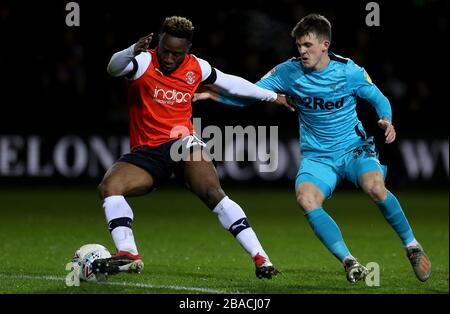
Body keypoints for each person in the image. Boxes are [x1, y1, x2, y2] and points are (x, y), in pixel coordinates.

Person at [195, 13, 431, 283]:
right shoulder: (287, 71)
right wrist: (214, 94)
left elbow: (379, 98)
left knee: (376, 187)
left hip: (353, 149)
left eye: (307, 45)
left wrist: (387, 119)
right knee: (306, 199)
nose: (302, 51)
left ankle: (411, 246)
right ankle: (349, 261)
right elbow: (251, 93)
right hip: (318, 157)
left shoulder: (348, 71)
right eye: (299, 46)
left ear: (325, 45)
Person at [91, 16, 296, 280]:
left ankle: (261, 258)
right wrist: (131, 50)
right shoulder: (143, 61)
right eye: (165, 51)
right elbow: (113, 68)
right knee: (109, 187)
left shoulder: (196, 67)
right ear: (159, 43)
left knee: (213, 193)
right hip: (147, 152)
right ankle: (128, 254)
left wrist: (273, 96)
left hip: (182, 142)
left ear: (187, 49)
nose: (168, 58)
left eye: (176, 54)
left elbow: (232, 83)